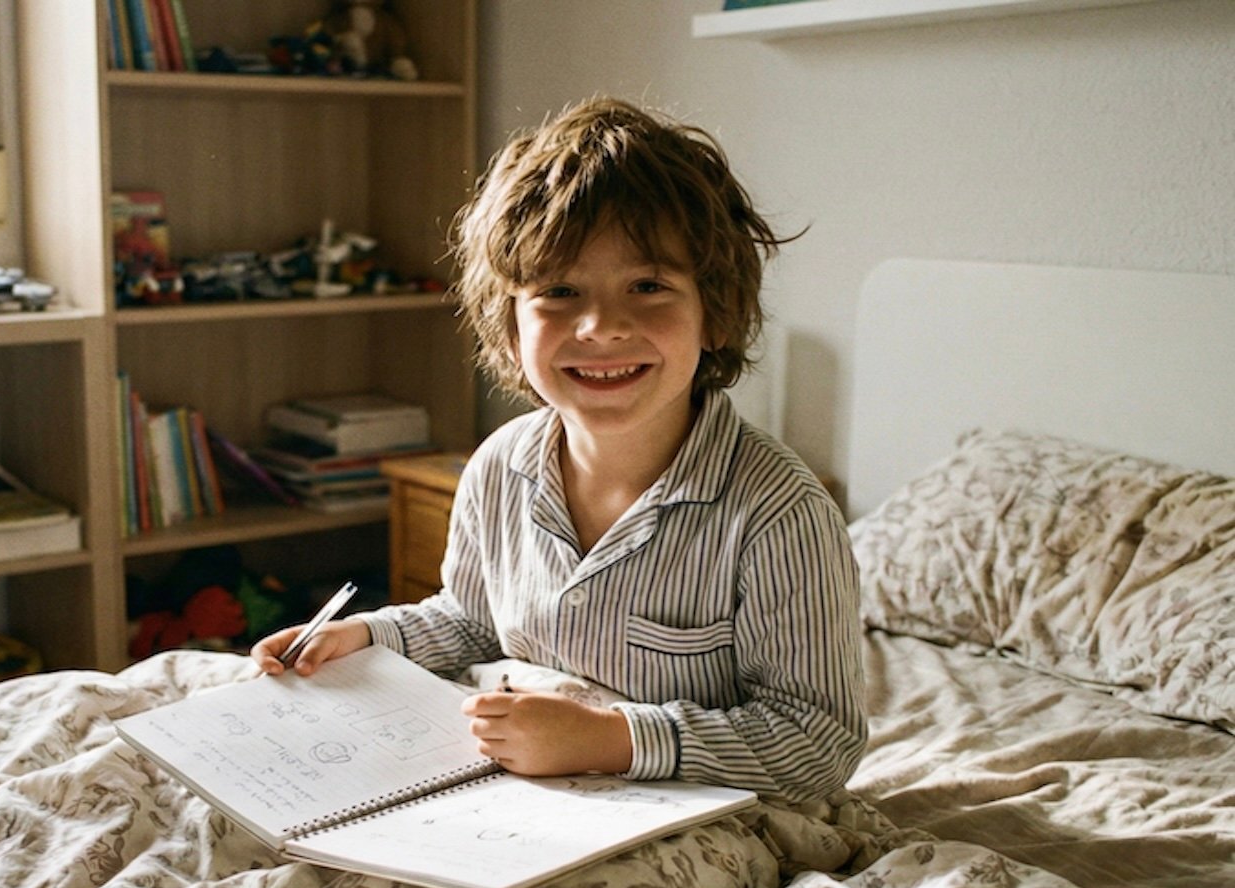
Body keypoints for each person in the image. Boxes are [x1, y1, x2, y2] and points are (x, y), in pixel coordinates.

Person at [250, 97, 865, 803]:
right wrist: (366, 636)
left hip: (688, 807)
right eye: (561, 291)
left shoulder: (778, 512)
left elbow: (818, 741)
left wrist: (613, 739)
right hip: (516, 796)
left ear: (715, 312)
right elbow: (471, 622)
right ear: (509, 326)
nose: (601, 326)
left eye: (648, 286)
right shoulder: (499, 466)